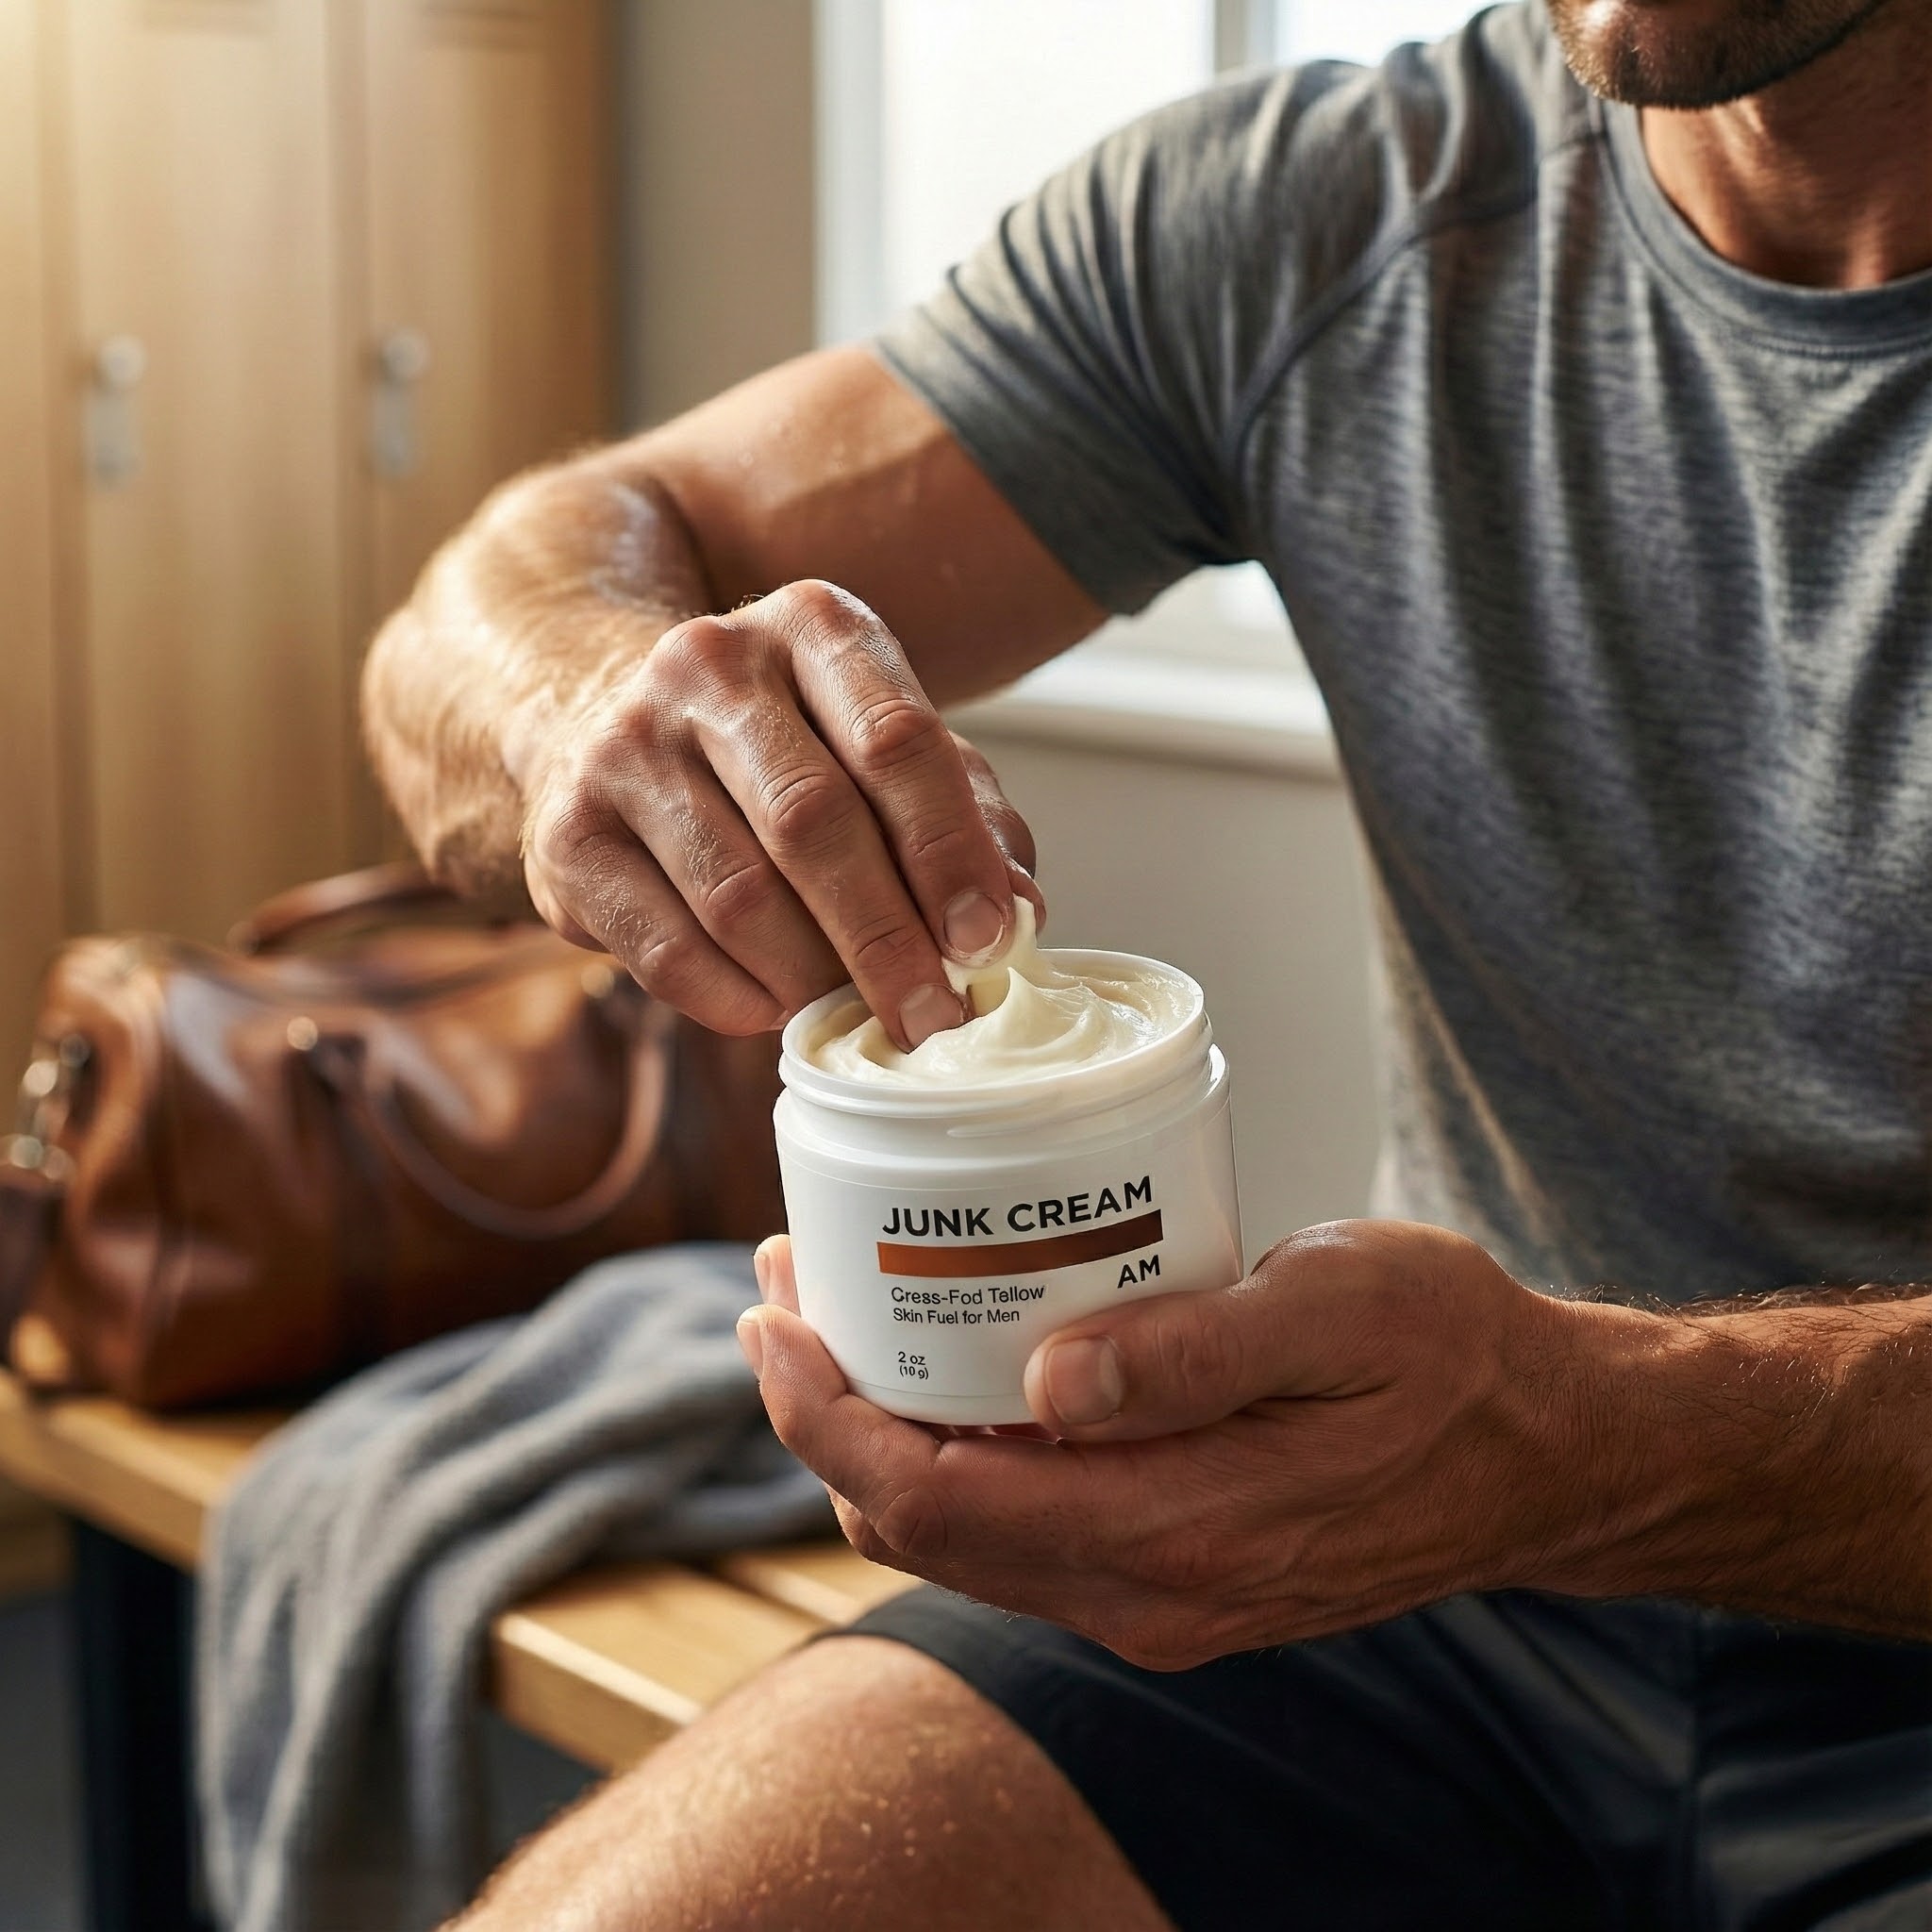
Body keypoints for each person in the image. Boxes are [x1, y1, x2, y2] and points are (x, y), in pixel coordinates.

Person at [362, 0, 1932, 1924]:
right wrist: (582, 693)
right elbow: (514, 593)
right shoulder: (1325, 217)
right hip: (1439, 1600)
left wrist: (1588, 1437)